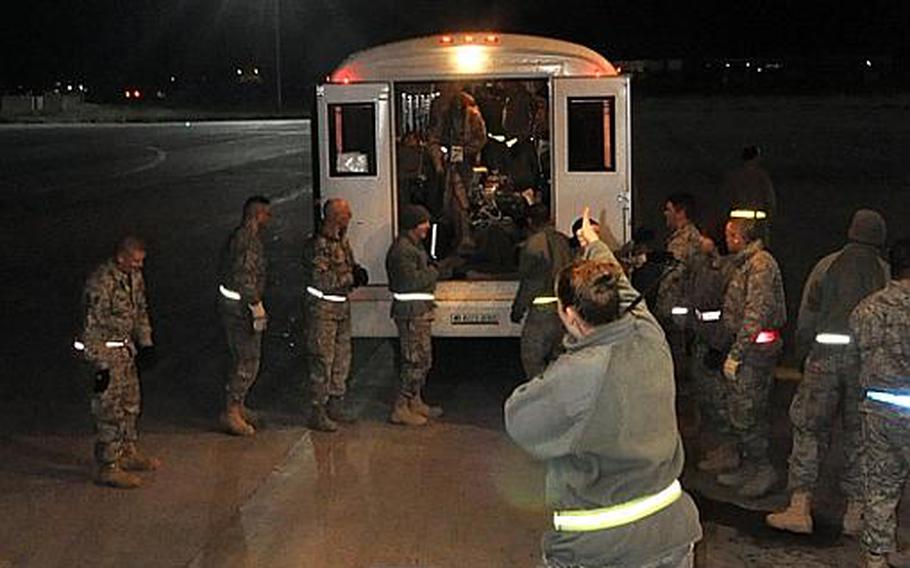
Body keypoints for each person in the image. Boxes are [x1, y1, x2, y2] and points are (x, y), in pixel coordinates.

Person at [505, 208, 702, 568]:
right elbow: (624, 291)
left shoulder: (576, 374)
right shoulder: (648, 334)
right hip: (672, 538)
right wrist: (593, 244)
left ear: (568, 315)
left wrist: (565, 355)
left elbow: (520, 420)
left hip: (602, 552)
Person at [767, 209, 889, 534]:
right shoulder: (883, 271)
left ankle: (800, 507)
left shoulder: (827, 265)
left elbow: (808, 315)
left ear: (850, 231)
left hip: (824, 359)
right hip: (864, 365)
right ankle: (855, 513)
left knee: (809, 428)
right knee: (860, 435)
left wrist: (800, 353)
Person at [79, 236, 160, 489]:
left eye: (142, 261)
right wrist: (99, 363)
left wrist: (145, 343)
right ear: (121, 257)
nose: (139, 266)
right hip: (106, 354)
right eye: (135, 261)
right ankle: (108, 466)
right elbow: (90, 324)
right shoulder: (101, 282)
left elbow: (140, 310)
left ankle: (127, 452)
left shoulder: (133, 278)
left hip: (125, 352)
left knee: (130, 405)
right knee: (108, 410)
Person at [715, 217, 786, 498]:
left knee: (749, 411)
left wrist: (736, 354)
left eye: (731, 234)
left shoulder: (760, 264)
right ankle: (749, 465)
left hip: (754, 352)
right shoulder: (744, 263)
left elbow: (754, 313)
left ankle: (763, 468)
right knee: (739, 409)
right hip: (748, 348)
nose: (727, 240)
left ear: (741, 237)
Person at [850, 238, 910, 568]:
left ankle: (876, 557)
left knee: (880, 486)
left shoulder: (866, 308)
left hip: (878, 409)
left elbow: (855, 352)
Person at [302, 198, 369, 432]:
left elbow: (346, 266)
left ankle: (336, 403)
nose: (350, 215)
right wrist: (350, 278)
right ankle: (318, 410)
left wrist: (356, 270)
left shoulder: (341, 240)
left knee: (342, 359)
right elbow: (321, 279)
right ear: (334, 216)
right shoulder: (318, 245)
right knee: (322, 360)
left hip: (341, 307)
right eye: (345, 212)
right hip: (323, 310)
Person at [385, 205, 450, 426]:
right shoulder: (403, 251)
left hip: (419, 311)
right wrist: (434, 272)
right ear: (414, 224)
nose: (428, 227)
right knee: (414, 361)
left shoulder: (413, 247)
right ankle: (401, 407)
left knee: (423, 359)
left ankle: (416, 400)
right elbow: (409, 282)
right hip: (411, 313)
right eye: (424, 222)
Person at [217, 195, 271, 436]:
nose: (269, 219)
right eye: (266, 214)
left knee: (246, 357)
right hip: (241, 309)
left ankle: (239, 405)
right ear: (257, 215)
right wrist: (255, 304)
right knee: (246, 358)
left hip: (236, 305)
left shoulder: (244, 237)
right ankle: (232, 410)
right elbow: (244, 276)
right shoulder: (248, 241)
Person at [688, 226, 739, 473]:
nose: (700, 241)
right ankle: (717, 447)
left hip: (716, 342)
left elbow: (729, 314)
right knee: (706, 397)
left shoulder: (729, 270)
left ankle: (729, 451)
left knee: (721, 402)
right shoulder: (703, 266)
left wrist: (719, 346)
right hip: (702, 339)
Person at [510, 204, 572, 378]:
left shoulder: (533, 245)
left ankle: (541, 395)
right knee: (558, 357)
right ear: (550, 218)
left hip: (541, 313)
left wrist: (517, 310)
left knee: (532, 357)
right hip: (563, 310)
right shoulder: (563, 241)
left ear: (530, 221)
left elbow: (530, 282)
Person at [427, 86, 487, 253]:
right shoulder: (445, 115)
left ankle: (467, 238)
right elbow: (435, 139)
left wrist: (463, 151)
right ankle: (459, 238)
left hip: (467, 166)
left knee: (464, 202)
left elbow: (481, 139)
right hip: (450, 167)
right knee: (453, 204)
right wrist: (439, 161)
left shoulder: (472, 115)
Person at [656, 193, 703, 386]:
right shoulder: (678, 238)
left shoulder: (686, 240)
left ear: (680, 212)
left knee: (679, 357)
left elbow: (675, 277)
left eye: (668, 209)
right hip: (673, 311)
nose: (665, 213)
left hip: (679, 313)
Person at [721, 145, 776, 244]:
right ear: (756, 157)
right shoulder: (762, 177)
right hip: (758, 223)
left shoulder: (734, 176)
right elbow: (770, 201)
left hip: (736, 223)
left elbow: (725, 200)